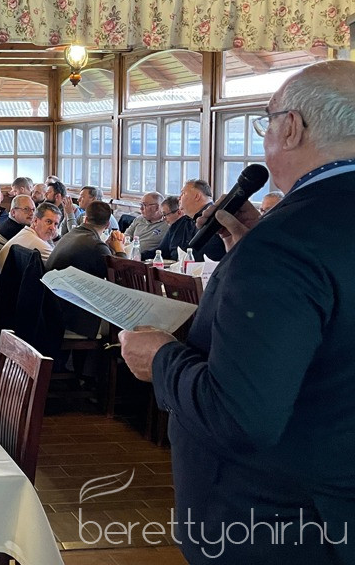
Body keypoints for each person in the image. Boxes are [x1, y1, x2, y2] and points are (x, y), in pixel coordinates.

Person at [119, 60, 355, 564]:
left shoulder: (286, 242)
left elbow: (240, 415)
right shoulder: (291, 238)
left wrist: (161, 359)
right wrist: (251, 250)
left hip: (278, 522)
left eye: (267, 121)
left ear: (291, 128)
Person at [46, 201, 125, 337]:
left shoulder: (71, 234)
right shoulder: (96, 245)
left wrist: (107, 247)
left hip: (53, 310)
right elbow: (120, 279)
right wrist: (120, 250)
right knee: (124, 322)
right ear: (107, 225)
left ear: (85, 219)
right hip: (73, 319)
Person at [0, 201, 61, 267]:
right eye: (48, 222)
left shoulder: (27, 233)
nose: (53, 228)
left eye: (56, 224)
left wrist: (54, 237)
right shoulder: (38, 244)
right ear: (35, 221)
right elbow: (63, 266)